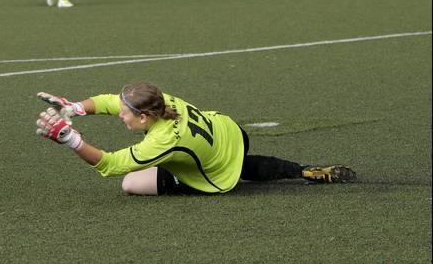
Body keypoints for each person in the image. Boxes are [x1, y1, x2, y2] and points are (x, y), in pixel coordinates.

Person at [34, 83, 357, 195]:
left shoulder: (161, 141)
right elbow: (109, 101)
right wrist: (75, 107)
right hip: (232, 132)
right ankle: (301, 170)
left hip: (216, 174)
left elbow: (111, 165)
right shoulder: (161, 100)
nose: (120, 114)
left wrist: (71, 140)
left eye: (126, 113)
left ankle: (222, 173)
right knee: (237, 161)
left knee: (130, 183)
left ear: (144, 117)